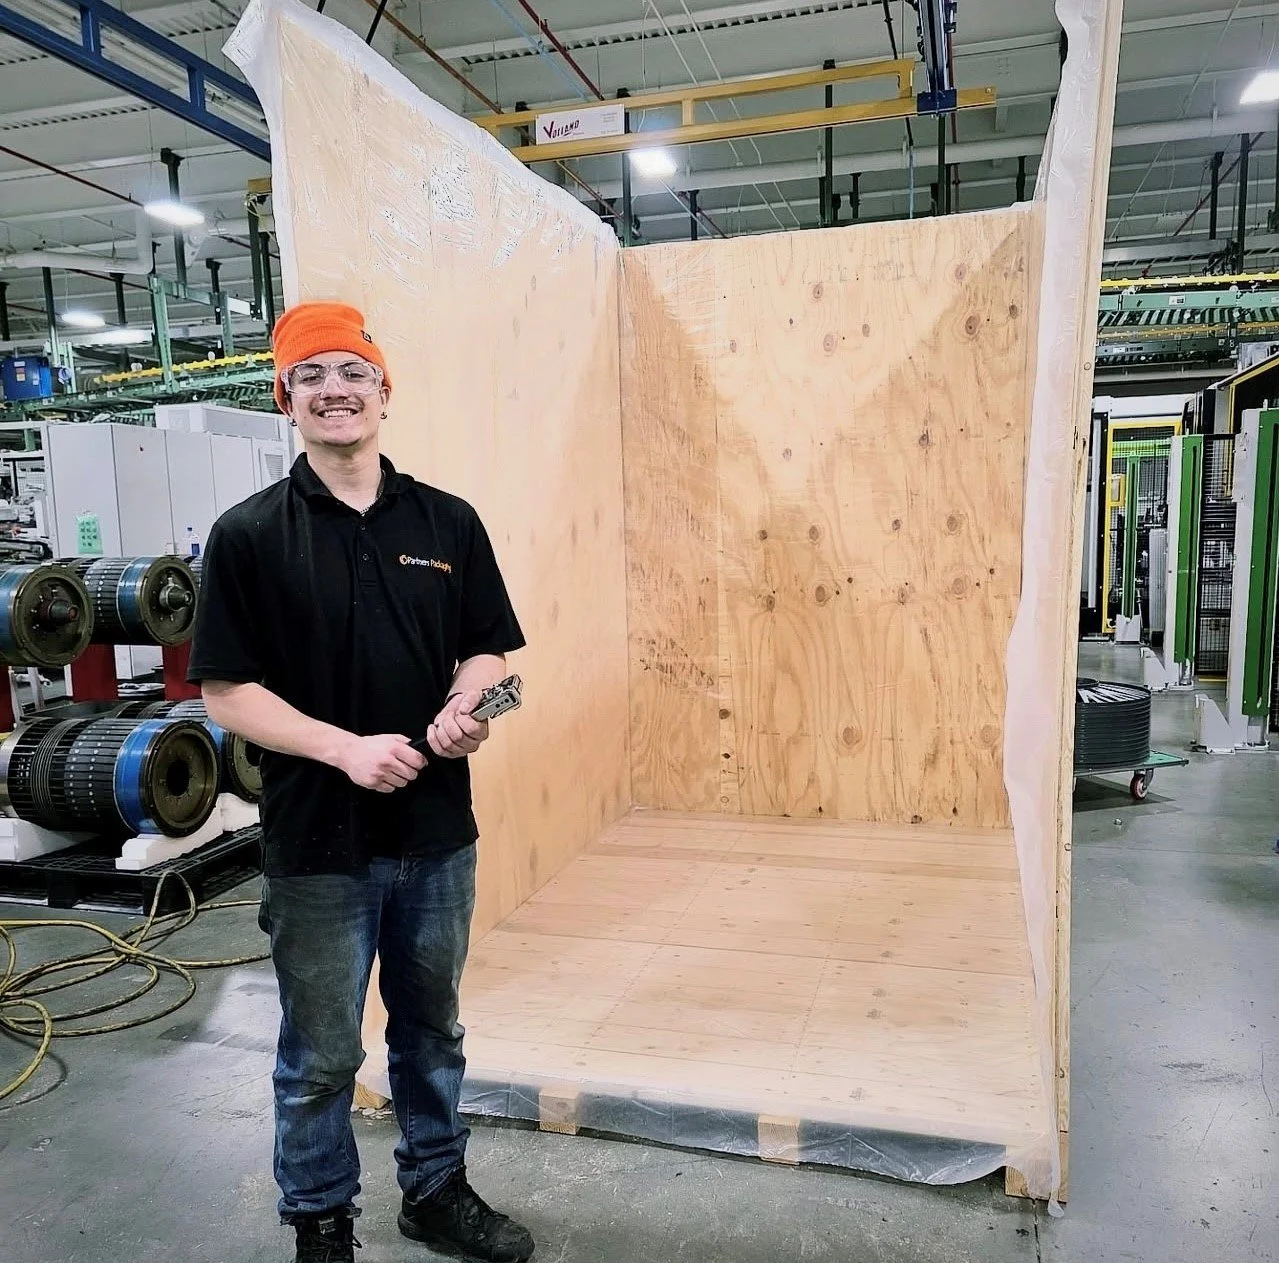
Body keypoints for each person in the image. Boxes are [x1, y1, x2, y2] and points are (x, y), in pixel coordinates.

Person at [188, 301, 534, 1263]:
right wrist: (344, 750)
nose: (332, 389)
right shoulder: (249, 533)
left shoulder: (447, 520)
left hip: (436, 836)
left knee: (431, 1032)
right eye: (310, 374)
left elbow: (489, 652)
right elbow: (225, 691)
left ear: (384, 391)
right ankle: (320, 1220)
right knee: (320, 1053)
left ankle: (435, 1191)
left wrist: (468, 706)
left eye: (351, 371)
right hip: (316, 843)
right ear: (285, 398)